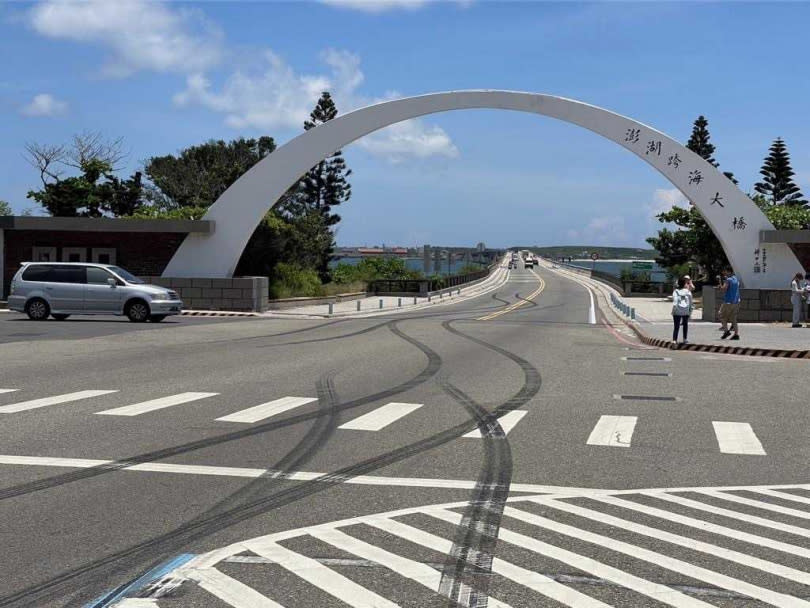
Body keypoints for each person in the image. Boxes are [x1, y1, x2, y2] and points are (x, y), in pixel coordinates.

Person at [719, 267, 741, 340]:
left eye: (725, 272)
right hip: (736, 302)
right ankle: (736, 334)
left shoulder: (728, 280)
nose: (724, 273)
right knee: (733, 318)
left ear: (729, 272)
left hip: (728, 302)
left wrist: (720, 283)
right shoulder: (736, 279)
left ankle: (726, 331)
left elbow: (724, 289)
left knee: (721, 315)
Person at [672, 277, 693, 344]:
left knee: (676, 326)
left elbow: (675, 301)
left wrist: (673, 311)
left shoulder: (675, 291)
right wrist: (690, 312)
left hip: (677, 310)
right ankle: (685, 339)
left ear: (678, 284)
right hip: (685, 310)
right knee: (685, 324)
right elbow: (690, 303)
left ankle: (674, 340)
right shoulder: (688, 292)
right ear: (685, 284)